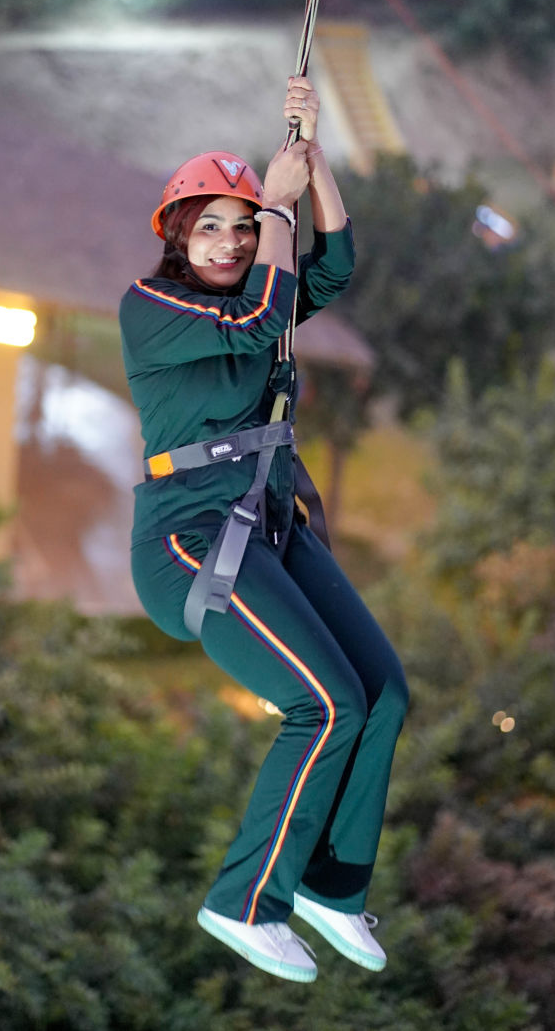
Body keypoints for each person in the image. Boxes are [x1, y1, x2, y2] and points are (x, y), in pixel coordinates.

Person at [119, 76, 408, 984]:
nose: (231, 241)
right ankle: (244, 902)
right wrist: (275, 200)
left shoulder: (263, 301)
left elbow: (328, 272)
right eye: (211, 225)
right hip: (188, 541)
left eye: (243, 229)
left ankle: (331, 886)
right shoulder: (155, 308)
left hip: (269, 526)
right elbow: (260, 316)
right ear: (175, 232)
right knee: (321, 706)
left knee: (380, 692)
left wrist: (313, 166)